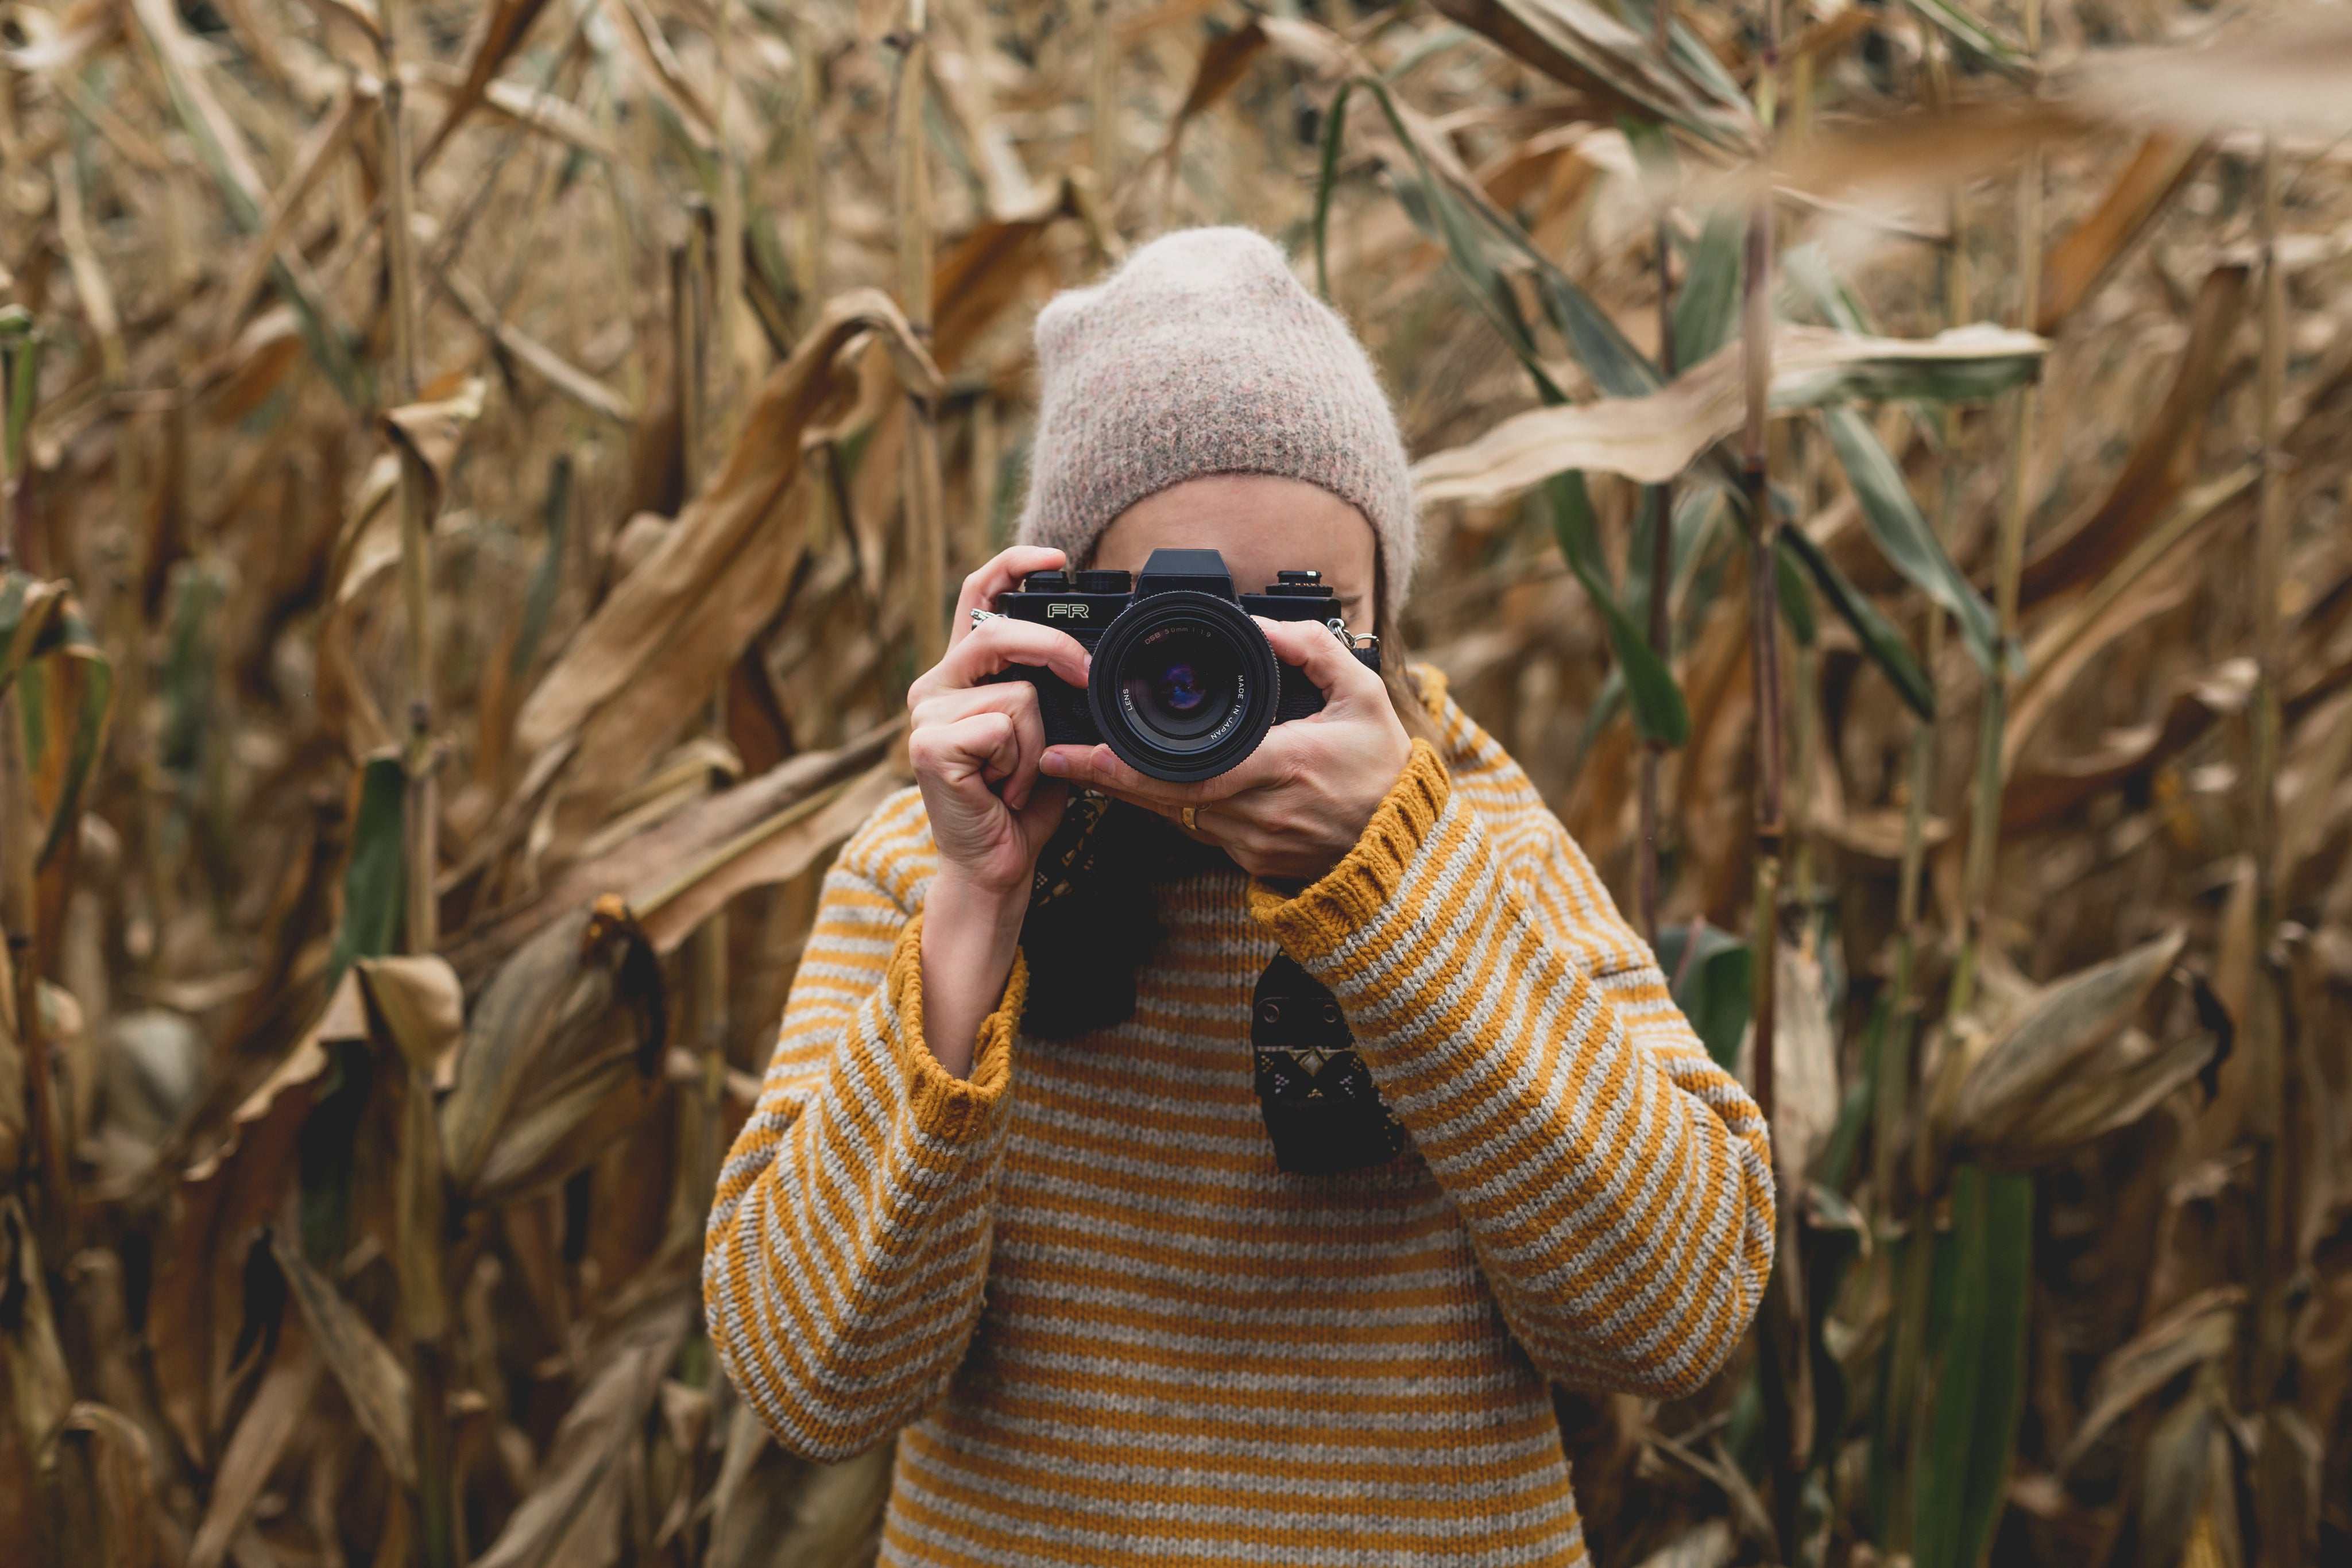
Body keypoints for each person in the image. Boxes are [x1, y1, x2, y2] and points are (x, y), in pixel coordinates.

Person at [704, 227, 1775, 1566]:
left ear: (1388, 616)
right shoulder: (933, 860)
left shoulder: (1473, 840)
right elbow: (815, 1380)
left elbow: (1667, 1320)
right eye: (1175, 618)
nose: (1222, 670)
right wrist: (972, 916)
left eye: (1301, 617)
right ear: (1062, 609)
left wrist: (1388, 892)